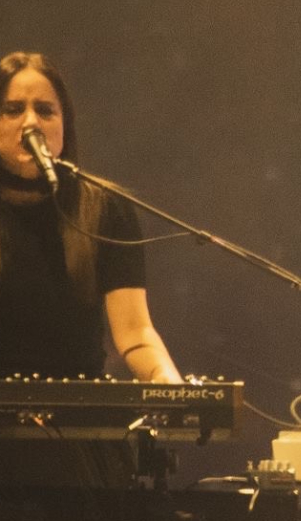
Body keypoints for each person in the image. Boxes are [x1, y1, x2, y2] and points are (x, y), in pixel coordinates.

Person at [0, 52, 184, 513]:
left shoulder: (104, 210)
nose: (30, 122)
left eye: (46, 110)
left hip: (81, 445)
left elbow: (136, 332)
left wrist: (171, 385)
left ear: (65, 126)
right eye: (11, 109)